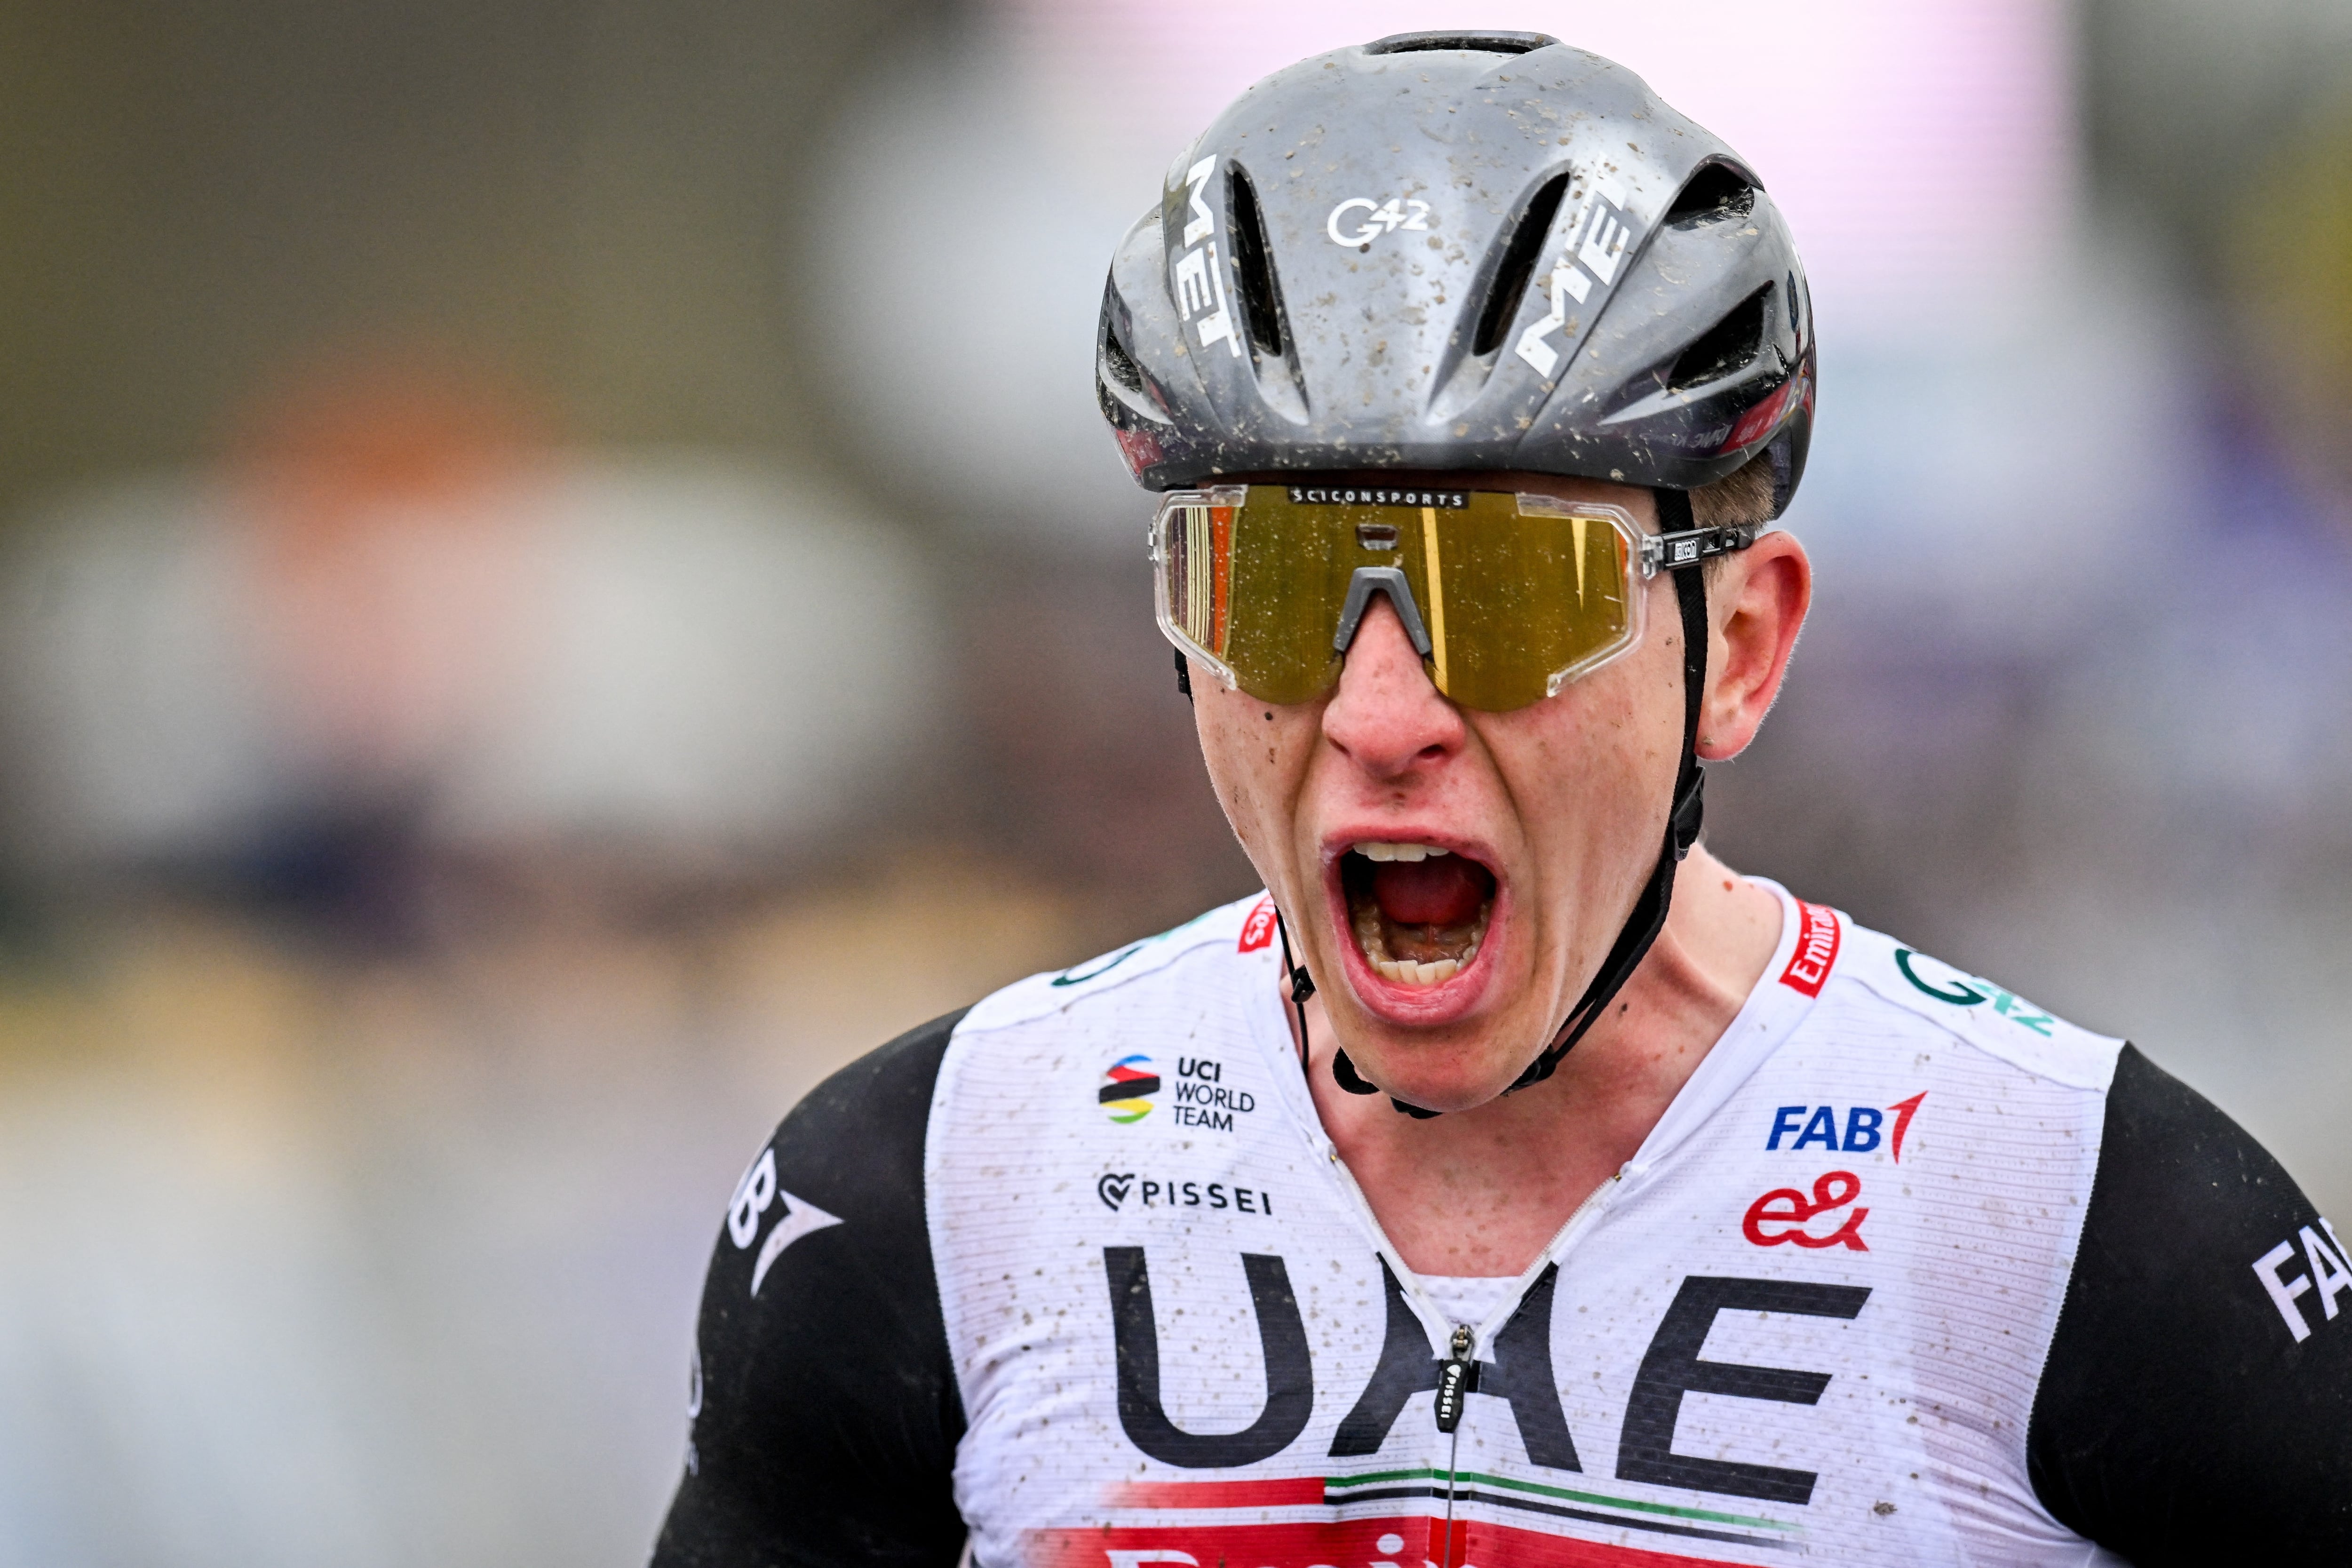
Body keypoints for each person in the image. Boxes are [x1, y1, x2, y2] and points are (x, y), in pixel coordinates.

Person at [651, 32, 2352, 1568]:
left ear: (1740, 651)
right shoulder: (935, 1186)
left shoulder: (2079, 1219)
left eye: (1517, 596)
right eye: (1277, 582)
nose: (1383, 715)